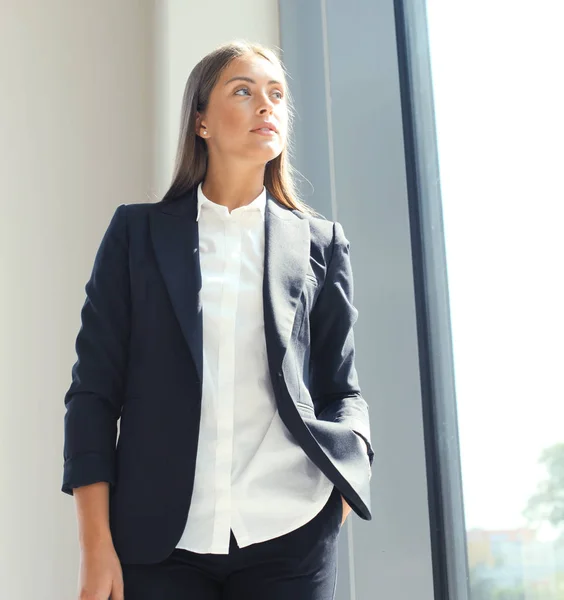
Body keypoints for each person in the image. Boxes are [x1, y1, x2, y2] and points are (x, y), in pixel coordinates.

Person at [62, 40, 373, 600]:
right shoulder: (136, 235)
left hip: (291, 535)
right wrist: (94, 545)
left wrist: (346, 478)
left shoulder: (321, 243)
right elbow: (92, 395)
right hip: (157, 541)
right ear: (201, 121)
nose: (266, 105)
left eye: (277, 95)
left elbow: (341, 387)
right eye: (243, 91)